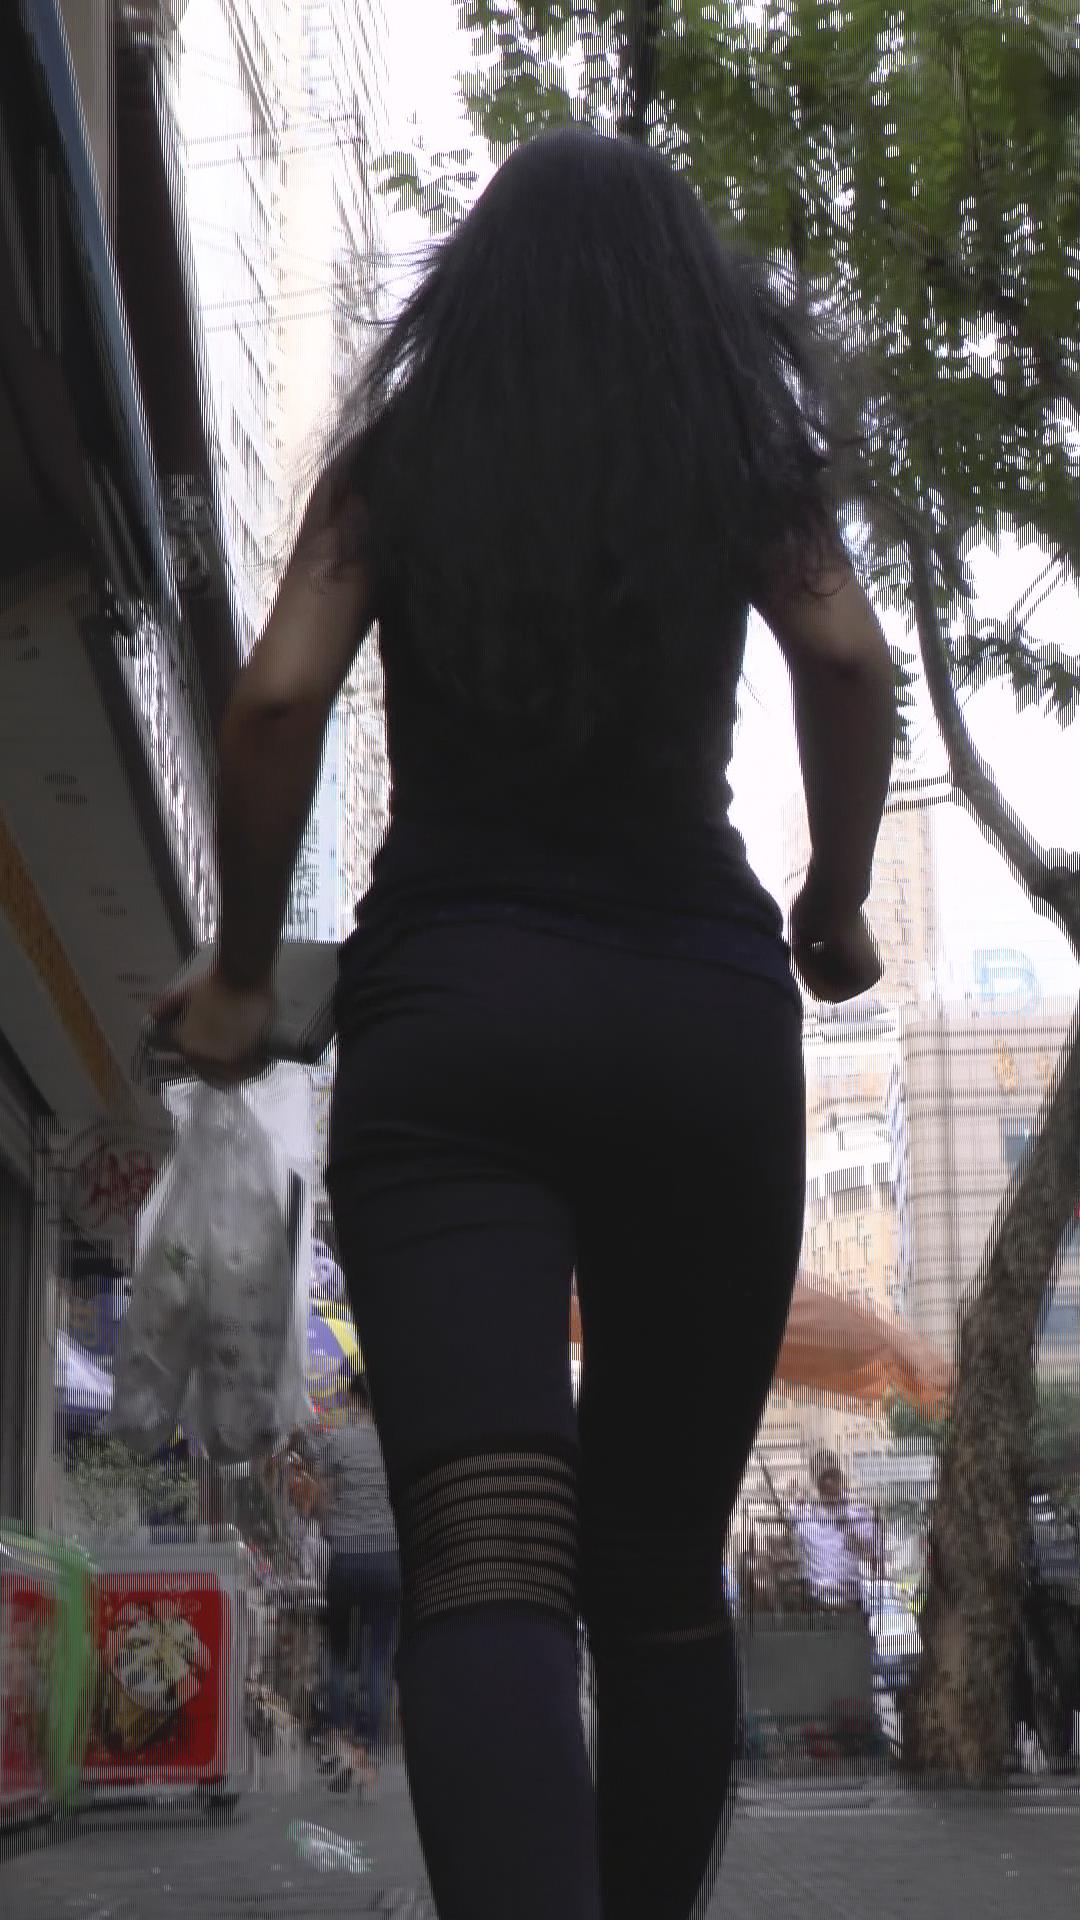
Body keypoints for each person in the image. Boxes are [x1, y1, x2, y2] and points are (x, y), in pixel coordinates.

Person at [154, 125, 895, 1920]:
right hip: (698, 1025)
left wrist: (245, 970)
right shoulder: (740, 458)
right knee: (656, 1568)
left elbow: (274, 704)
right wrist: (833, 901)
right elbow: (850, 660)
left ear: (470, 292)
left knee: (489, 1553)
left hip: (455, 1029)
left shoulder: (402, 459)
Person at [305, 1372, 401, 1791]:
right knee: (378, 1658)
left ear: (354, 1400)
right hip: (388, 1562)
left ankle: (340, 1743)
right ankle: (369, 1750)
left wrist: (328, 1524)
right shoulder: (398, 1443)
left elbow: (320, 1501)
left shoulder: (337, 1442)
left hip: (346, 1559)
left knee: (340, 1654)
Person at [787, 1451, 884, 1621]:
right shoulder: (803, 1516)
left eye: (833, 1476)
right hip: (815, 1607)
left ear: (841, 1479)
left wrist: (849, 1529)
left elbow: (874, 1558)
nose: (829, 1483)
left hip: (851, 1604)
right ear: (816, 1483)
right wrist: (795, 1495)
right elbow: (788, 1532)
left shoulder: (859, 1515)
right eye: (824, 1478)